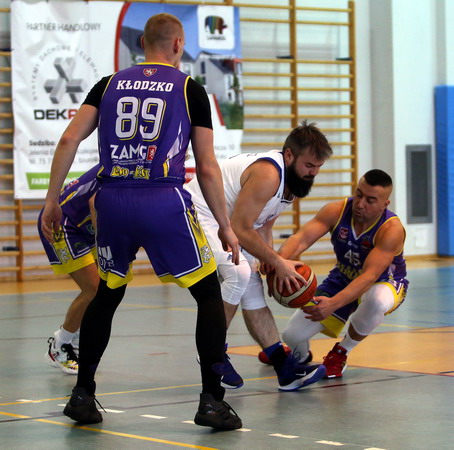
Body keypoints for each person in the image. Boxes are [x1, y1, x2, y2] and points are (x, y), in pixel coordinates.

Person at [41, 13, 243, 430]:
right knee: (208, 294)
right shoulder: (189, 88)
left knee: (107, 293)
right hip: (161, 198)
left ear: (142, 44)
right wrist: (225, 225)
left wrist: (51, 201)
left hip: (112, 200)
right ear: (178, 44)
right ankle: (211, 401)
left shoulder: (108, 84)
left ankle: (82, 394)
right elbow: (207, 167)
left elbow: (68, 139)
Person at [185, 120, 333, 391]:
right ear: (289, 155)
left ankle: (284, 369)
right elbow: (241, 228)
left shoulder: (292, 182)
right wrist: (279, 262)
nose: (313, 173)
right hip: (198, 211)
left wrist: (269, 259)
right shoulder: (268, 174)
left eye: (318, 167)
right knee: (238, 272)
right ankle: (212, 352)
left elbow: (263, 225)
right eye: (309, 166)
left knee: (252, 287)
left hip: (226, 220)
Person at [280, 169, 409, 378]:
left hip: (383, 282)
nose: (360, 203)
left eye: (370, 200)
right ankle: (300, 357)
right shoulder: (336, 210)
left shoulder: (391, 229)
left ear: (385, 204)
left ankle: (341, 351)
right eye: (359, 194)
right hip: (342, 278)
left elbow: (369, 277)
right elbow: (300, 239)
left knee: (376, 300)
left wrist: (333, 304)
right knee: (292, 335)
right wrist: (278, 261)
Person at [38, 165, 100, 375]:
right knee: (93, 288)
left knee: (106, 288)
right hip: (64, 223)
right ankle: (60, 346)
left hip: (85, 225)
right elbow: (94, 202)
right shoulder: (122, 164)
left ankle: (73, 341)